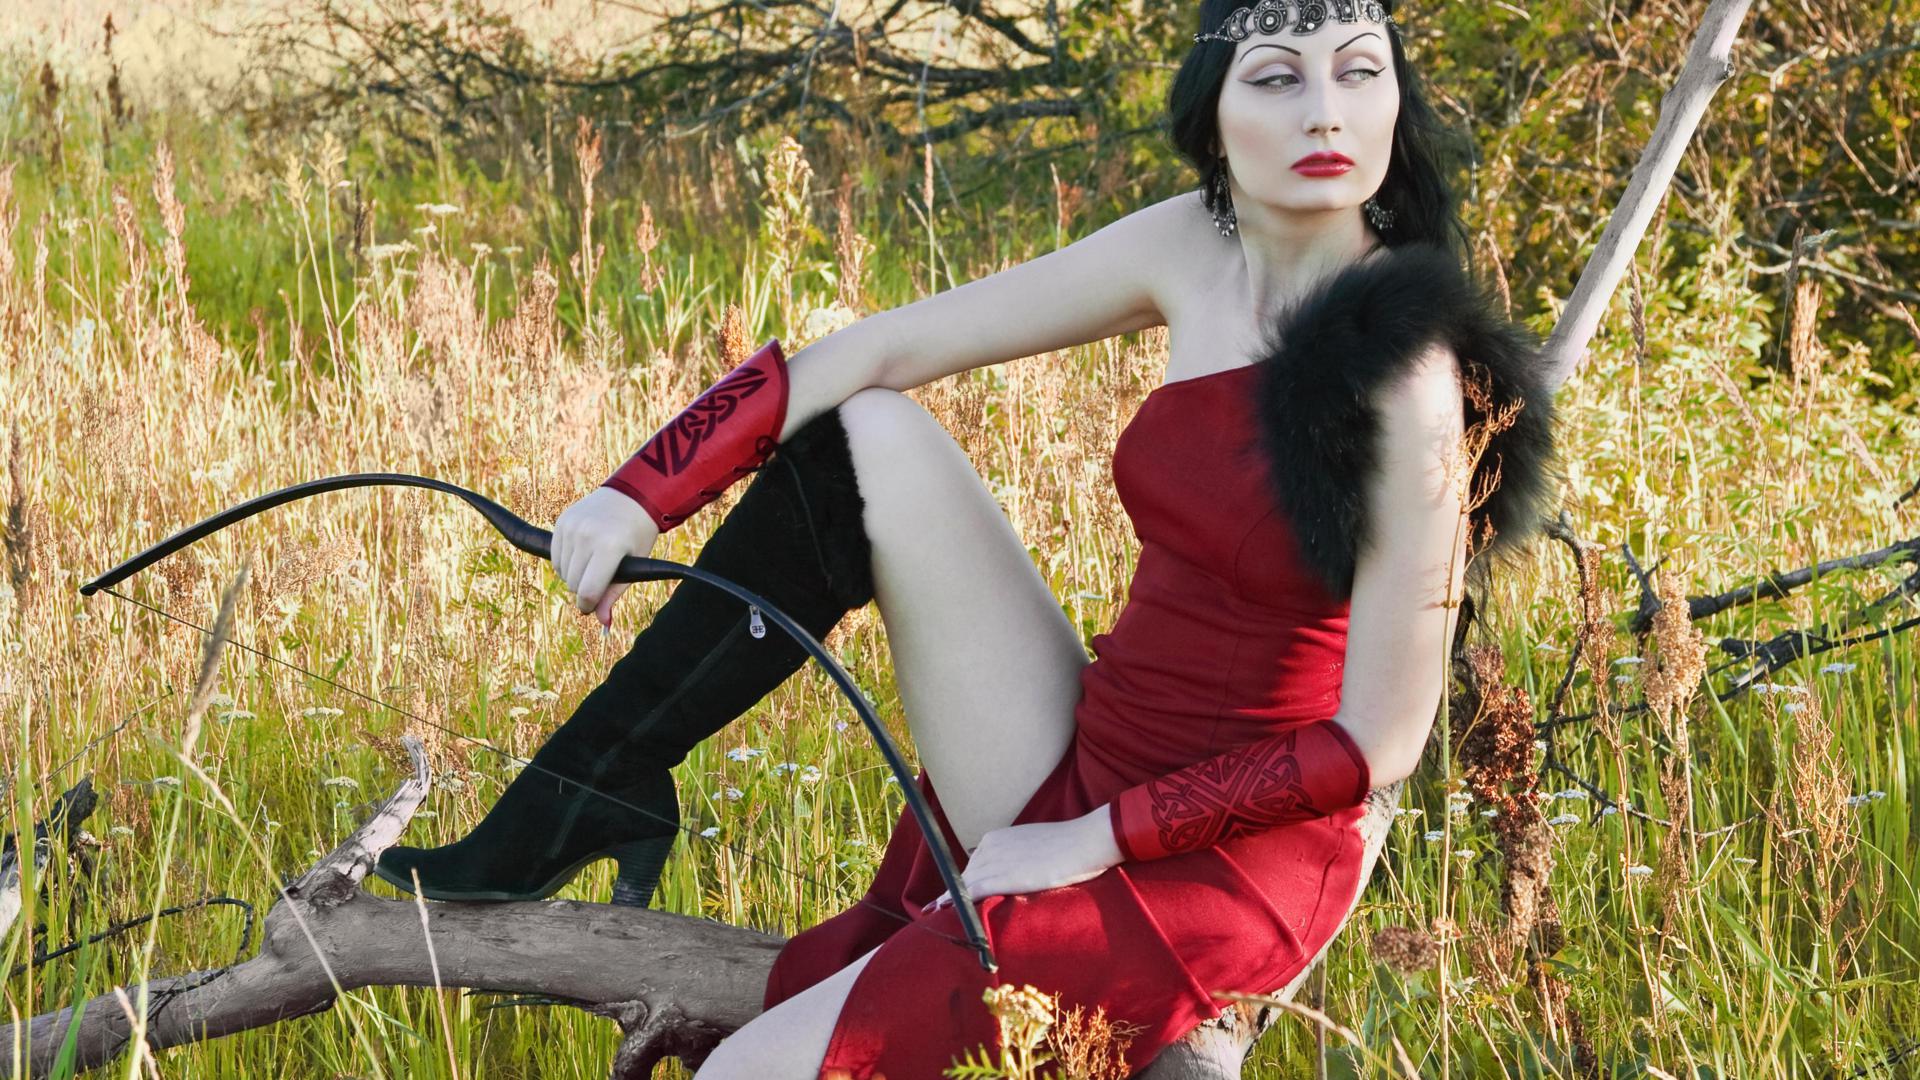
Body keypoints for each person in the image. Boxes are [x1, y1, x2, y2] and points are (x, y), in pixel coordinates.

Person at [378, 0, 1562, 1073]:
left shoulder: (1410, 379)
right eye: (1277, 78)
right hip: (1097, 745)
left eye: (1359, 72)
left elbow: (1377, 742)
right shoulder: (1193, 244)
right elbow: (881, 346)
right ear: (1212, 113)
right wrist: (639, 493)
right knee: (866, 429)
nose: (1327, 112)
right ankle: (593, 784)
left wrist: (1092, 843)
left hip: (1221, 859)